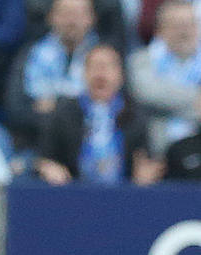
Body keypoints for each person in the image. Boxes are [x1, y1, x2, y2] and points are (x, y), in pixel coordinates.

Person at [35, 43, 162, 184]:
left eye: (108, 66)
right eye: (95, 66)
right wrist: (50, 168)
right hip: (74, 194)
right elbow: (45, 158)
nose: (100, 73)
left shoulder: (136, 115)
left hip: (124, 195)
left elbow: (147, 161)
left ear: (121, 75)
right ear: (84, 73)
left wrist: (145, 173)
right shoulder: (63, 113)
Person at [6, 0, 98, 144]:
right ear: (51, 17)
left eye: (78, 13)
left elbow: (109, 108)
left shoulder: (105, 57)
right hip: (36, 141)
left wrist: (55, 105)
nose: (72, 21)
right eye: (65, 13)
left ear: (92, 18)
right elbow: (16, 110)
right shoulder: (31, 54)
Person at [127, 0, 201, 153]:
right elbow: (147, 93)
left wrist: (165, 105)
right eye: (177, 26)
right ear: (160, 30)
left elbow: (159, 97)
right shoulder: (141, 60)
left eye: (190, 25)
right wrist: (196, 100)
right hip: (158, 152)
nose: (185, 32)